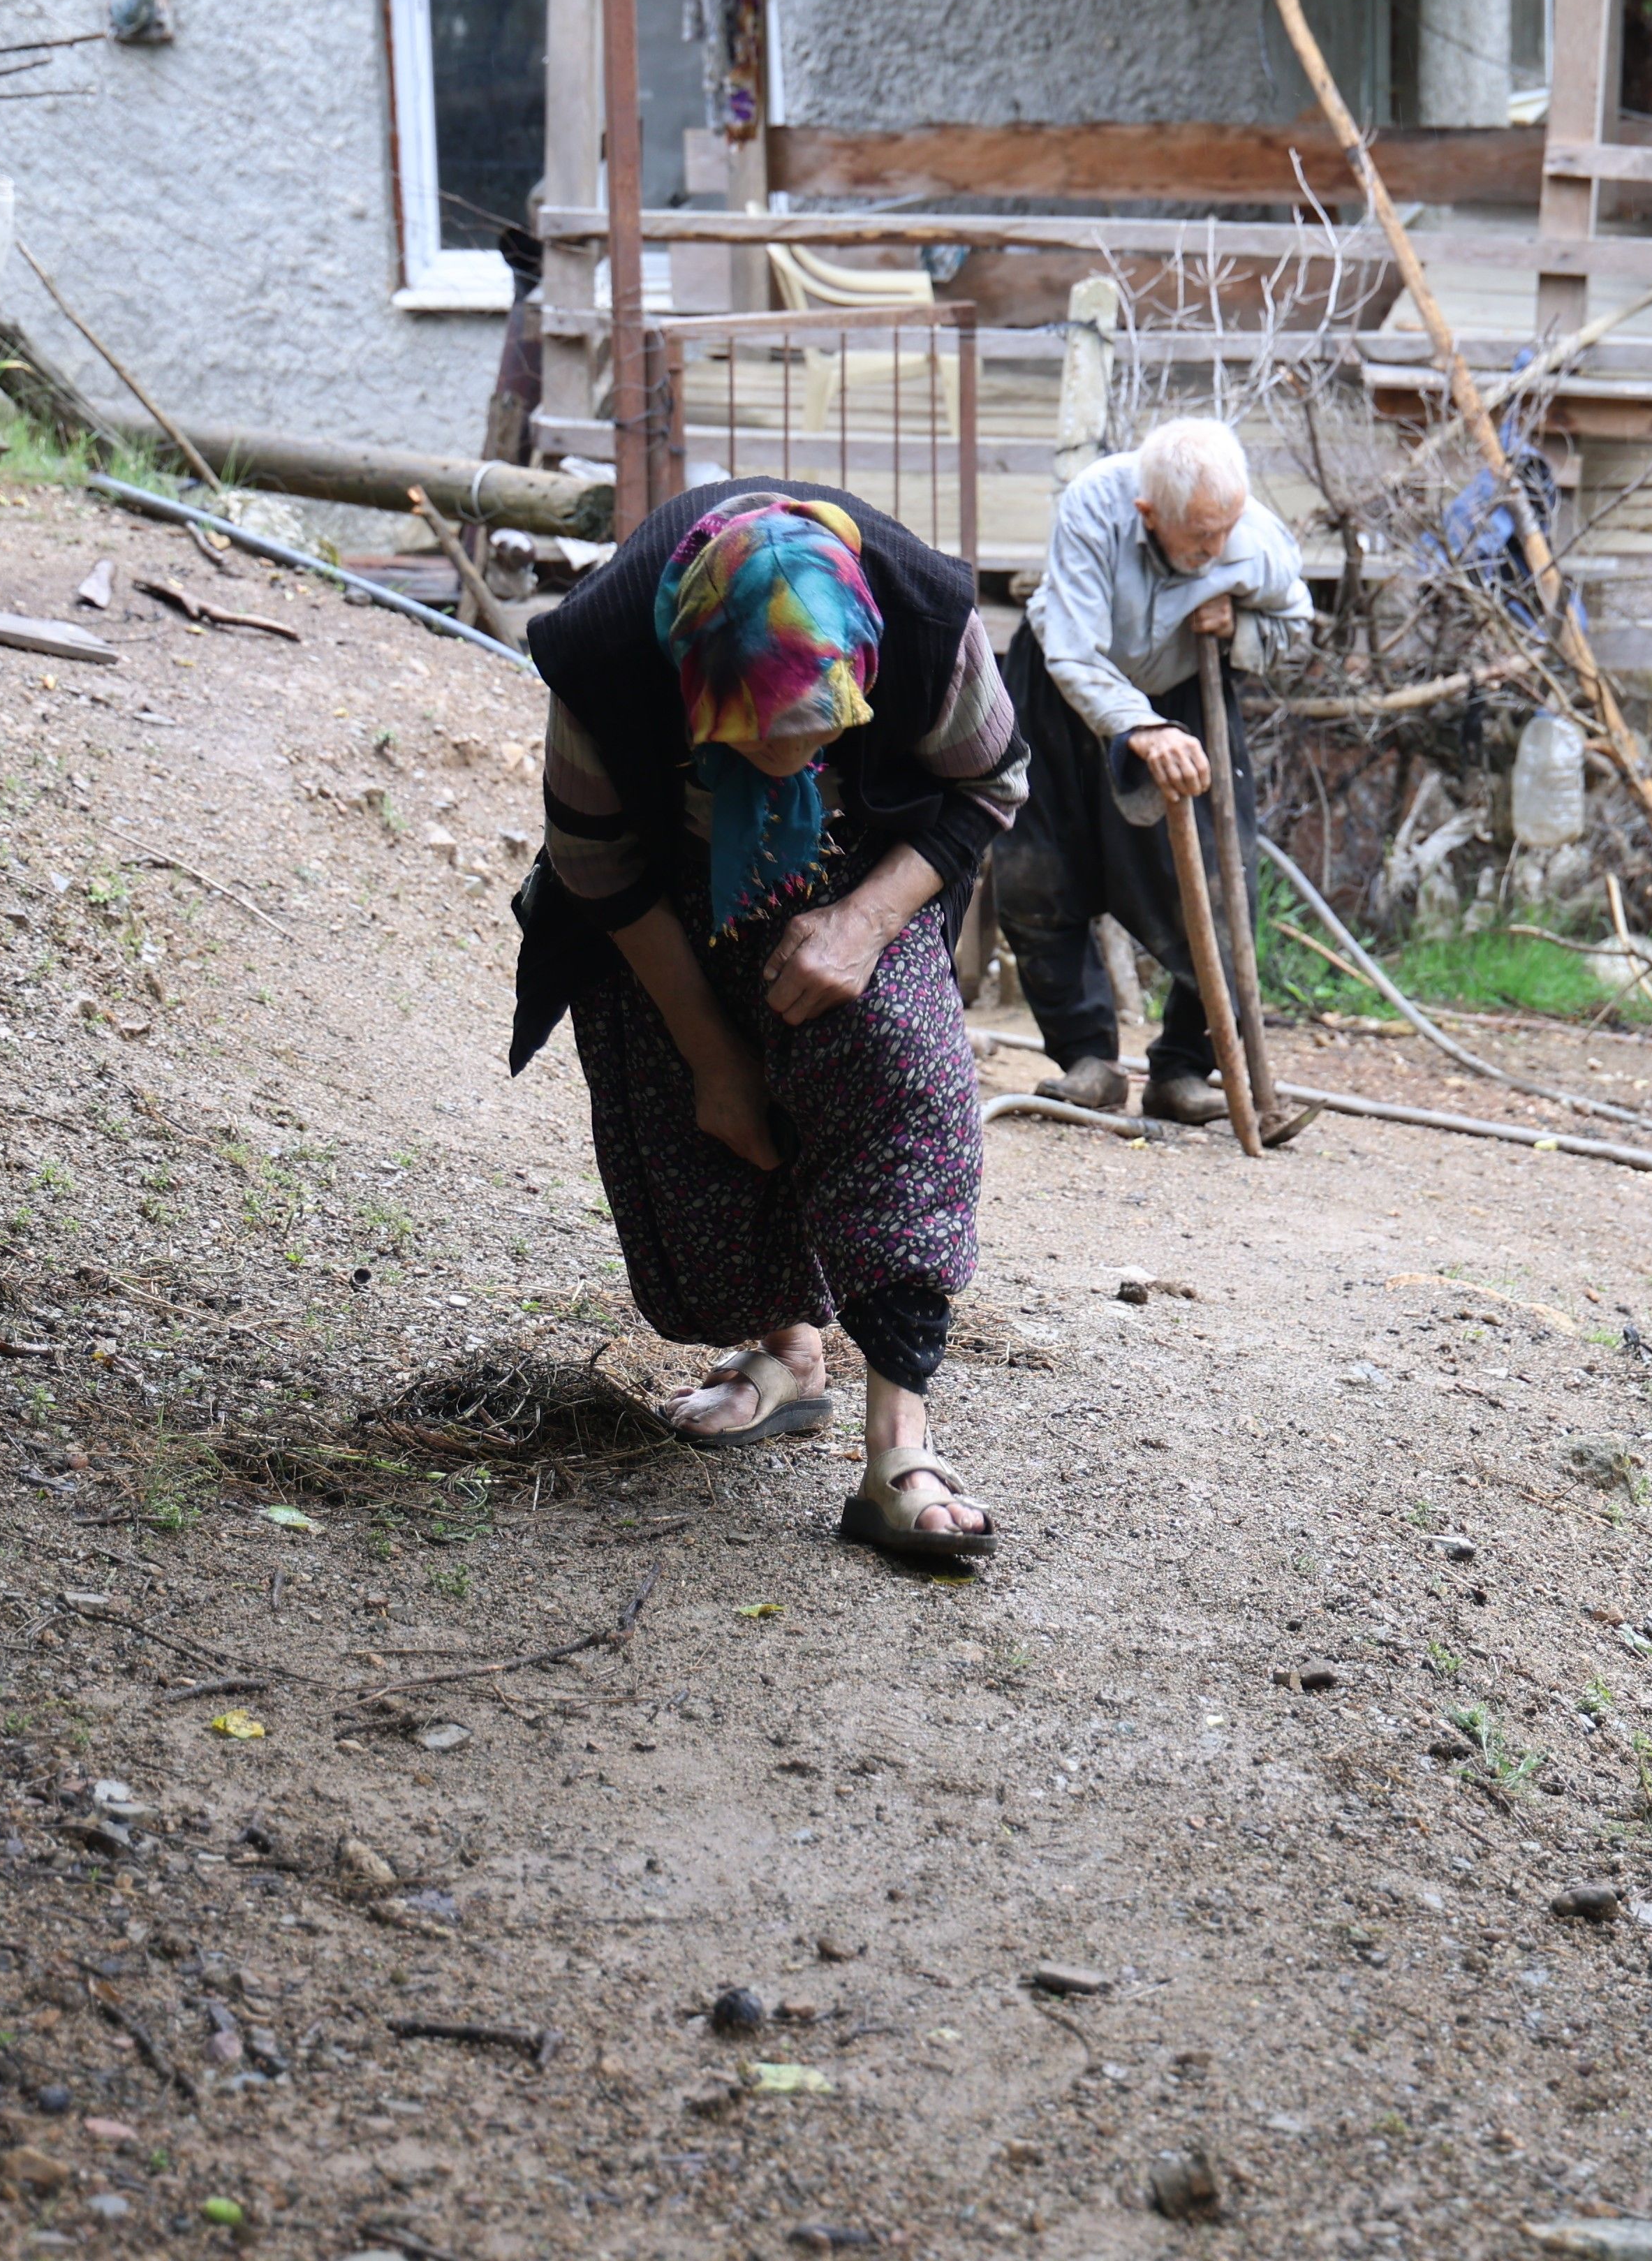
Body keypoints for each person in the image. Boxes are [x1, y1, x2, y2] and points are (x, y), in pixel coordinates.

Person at [508, 482, 1024, 1562]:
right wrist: (714, 1058)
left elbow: (990, 784)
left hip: (868, 863)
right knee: (702, 1121)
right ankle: (788, 1353)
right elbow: (595, 864)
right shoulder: (607, 657)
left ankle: (899, 1453)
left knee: (894, 1072)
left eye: (818, 733)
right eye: (751, 737)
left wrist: (864, 923)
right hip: (664, 881)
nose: (784, 758)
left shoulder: (927, 625)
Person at [989, 416, 1313, 1127]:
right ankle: (1089, 1060)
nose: (1216, 549)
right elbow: (1074, 651)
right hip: (1065, 692)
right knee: (1036, 874)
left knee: (1222, 889)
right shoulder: (1093, 507)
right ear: (1148, 514)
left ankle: (1183, 1071)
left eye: (1225, 530)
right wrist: (1139, 727)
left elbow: (1296, 628)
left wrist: (1243, 629)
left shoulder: (1254, 537)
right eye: (1199, 536)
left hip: (1182, 695)